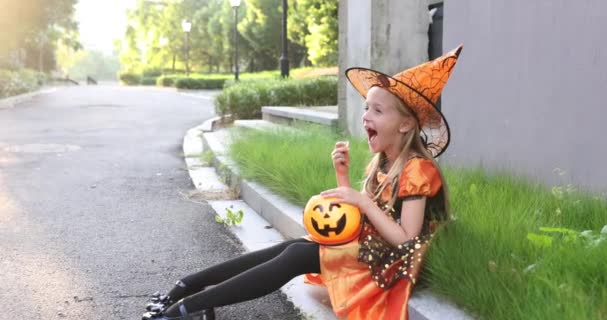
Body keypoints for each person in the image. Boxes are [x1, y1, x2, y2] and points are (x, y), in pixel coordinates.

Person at [142, 44, 463, 320]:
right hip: (371, 244)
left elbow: (406, 238)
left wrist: (362, 200)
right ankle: (188, 286)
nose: (366, 116)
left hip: (392, 260)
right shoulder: (385, 161)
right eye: (366, 107)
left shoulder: (418, 169)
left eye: (377, 111)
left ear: (406, 124)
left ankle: (187, 309)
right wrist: (343, 175)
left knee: (297, 257)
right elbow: (359, 214)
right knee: (295, 246)